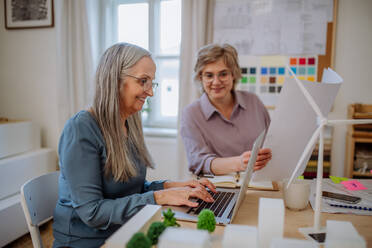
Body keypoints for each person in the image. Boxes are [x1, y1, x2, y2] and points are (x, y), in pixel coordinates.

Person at [53, 43, 216, 247]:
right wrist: (159, 196)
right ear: (115, 80)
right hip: (87, 241)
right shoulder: (81, 129)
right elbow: (92, 212)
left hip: (126, 229)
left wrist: (172, 186)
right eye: (143, 81)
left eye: (151, 83)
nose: (150, 92)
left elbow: (129, 189)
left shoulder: (128, 122)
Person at [180, 43, 272, 176]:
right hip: (219, 188)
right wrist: (239, 163)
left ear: (233, 74)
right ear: (201, 77)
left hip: (261, 181)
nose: (216, 82)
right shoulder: (191, 114)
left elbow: (272, 142)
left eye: (223, 74)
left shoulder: (253, 102)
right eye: (209, 75)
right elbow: (199, 161)